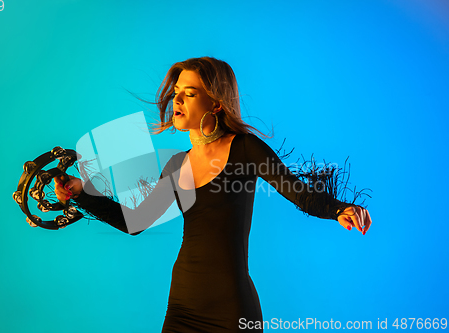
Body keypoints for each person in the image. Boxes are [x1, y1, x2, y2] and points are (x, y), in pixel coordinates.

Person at [52, 57, 372, 332]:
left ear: (215, 102)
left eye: (189, 94)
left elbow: (300, 194)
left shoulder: (245, 148)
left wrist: (339, 209)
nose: (177, 101)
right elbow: (135, 221)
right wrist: (81, 191)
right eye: (176, 93)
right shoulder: (178, 165)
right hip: (181, 306)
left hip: (231, 311)